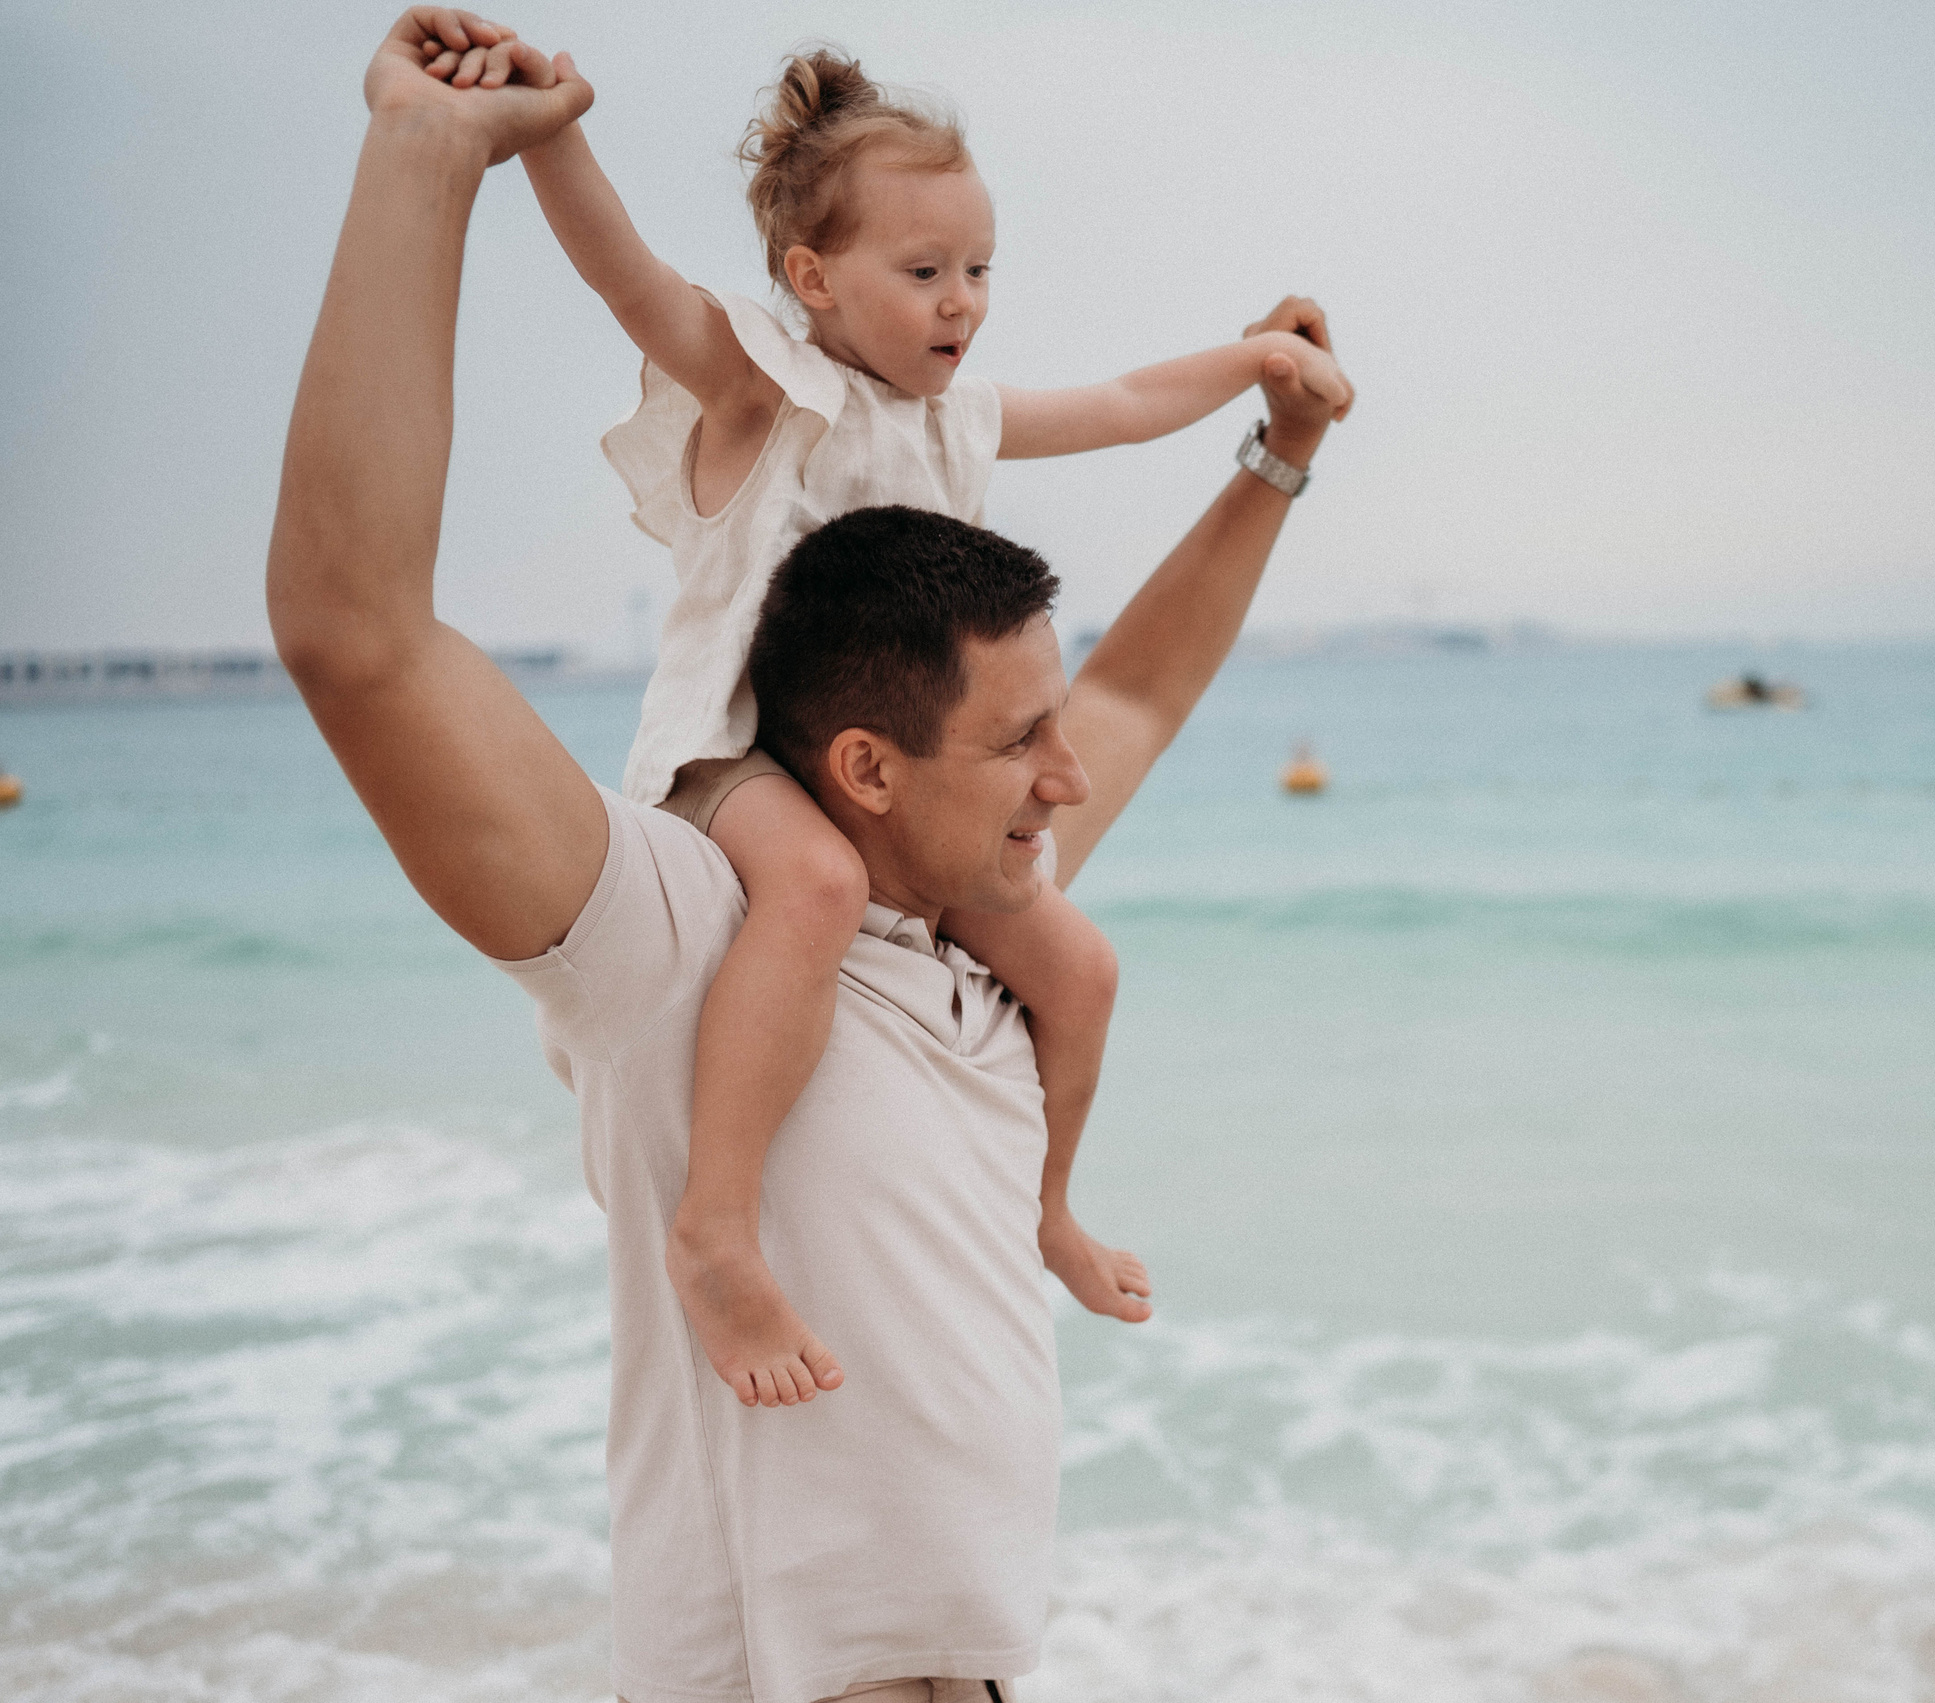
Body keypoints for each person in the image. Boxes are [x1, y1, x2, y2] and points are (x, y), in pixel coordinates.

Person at [266, 12, 1346, 1699]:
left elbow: (1133, 686)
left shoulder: (980, 895)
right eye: (1019, 743)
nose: (1069, 782)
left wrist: (1278, 444)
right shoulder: (683, 938)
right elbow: (361, 636)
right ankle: (720, 1234)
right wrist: (438, 156)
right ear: (865, 764)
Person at [465, 34, 1354, 1409]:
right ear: (813, 278)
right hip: (739, 760)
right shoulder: (772, 396)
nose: (965, 306)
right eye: (925, 273)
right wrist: (546, 133)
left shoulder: (959, 423)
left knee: (1083, 970)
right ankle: (716, 1225)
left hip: (896, 785)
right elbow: (628, 283)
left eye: (980, 271)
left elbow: (1123, 408)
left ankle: (1048, 1208)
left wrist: (1258, 364)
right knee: (815, 883)